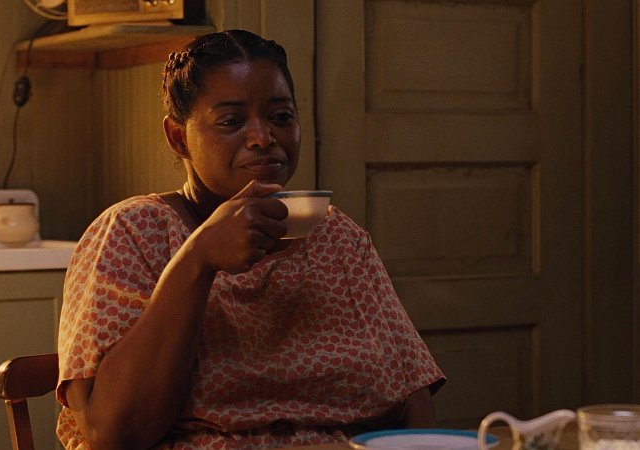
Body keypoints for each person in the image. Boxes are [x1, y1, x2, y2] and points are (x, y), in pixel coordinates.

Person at [55, 29, 445, 450]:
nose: (263, 137)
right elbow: (112, 434)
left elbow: (412, 397)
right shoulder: (133, 233)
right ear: (178, 137)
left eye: (281, 116)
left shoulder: (338, 238)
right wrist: (198, 258)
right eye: (231, 121)